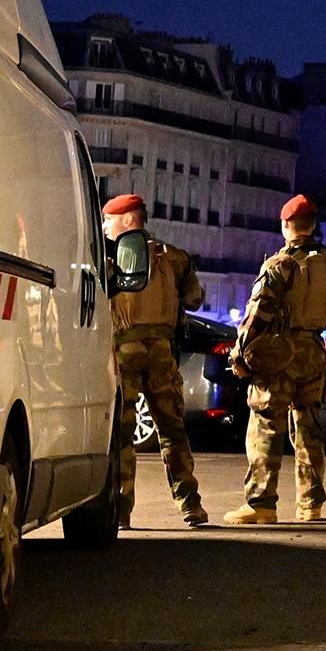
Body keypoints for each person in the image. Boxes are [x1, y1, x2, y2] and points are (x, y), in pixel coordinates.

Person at [224, 195, 326, 525]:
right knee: (309, 429)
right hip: (313, 352)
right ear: (312, 226)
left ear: (285, 226)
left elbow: (256, 317)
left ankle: (261, 503)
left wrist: (240, 356)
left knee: (266, 426)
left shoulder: (280, 265)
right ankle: (311, 503)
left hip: (279, 353)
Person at [102, 194, 208, 528]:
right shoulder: (175, 257)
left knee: (122, 435)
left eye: (110, 220)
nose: (104, 227)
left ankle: (120, 511)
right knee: (172, 430)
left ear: (130, 220)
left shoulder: (110, 257)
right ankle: (191, 505)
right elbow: (195, 299)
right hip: (163, 352)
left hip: (125, 351)